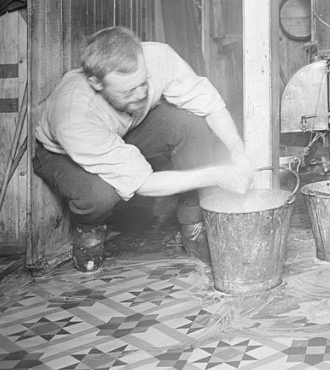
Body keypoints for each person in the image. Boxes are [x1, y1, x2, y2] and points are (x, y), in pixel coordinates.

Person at [33, 26, 253, 272]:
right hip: (61, 154)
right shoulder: (74, 116)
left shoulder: (158, 57)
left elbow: (209, 104)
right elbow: (143, 183)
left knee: (190, 122)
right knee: (101, 194)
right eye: (128, 90)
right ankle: (88, 226)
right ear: (96, 83)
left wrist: (237, 150)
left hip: (126, 131)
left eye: (143, 83)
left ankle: (193, 228)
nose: (140, 95)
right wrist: (215, 175)